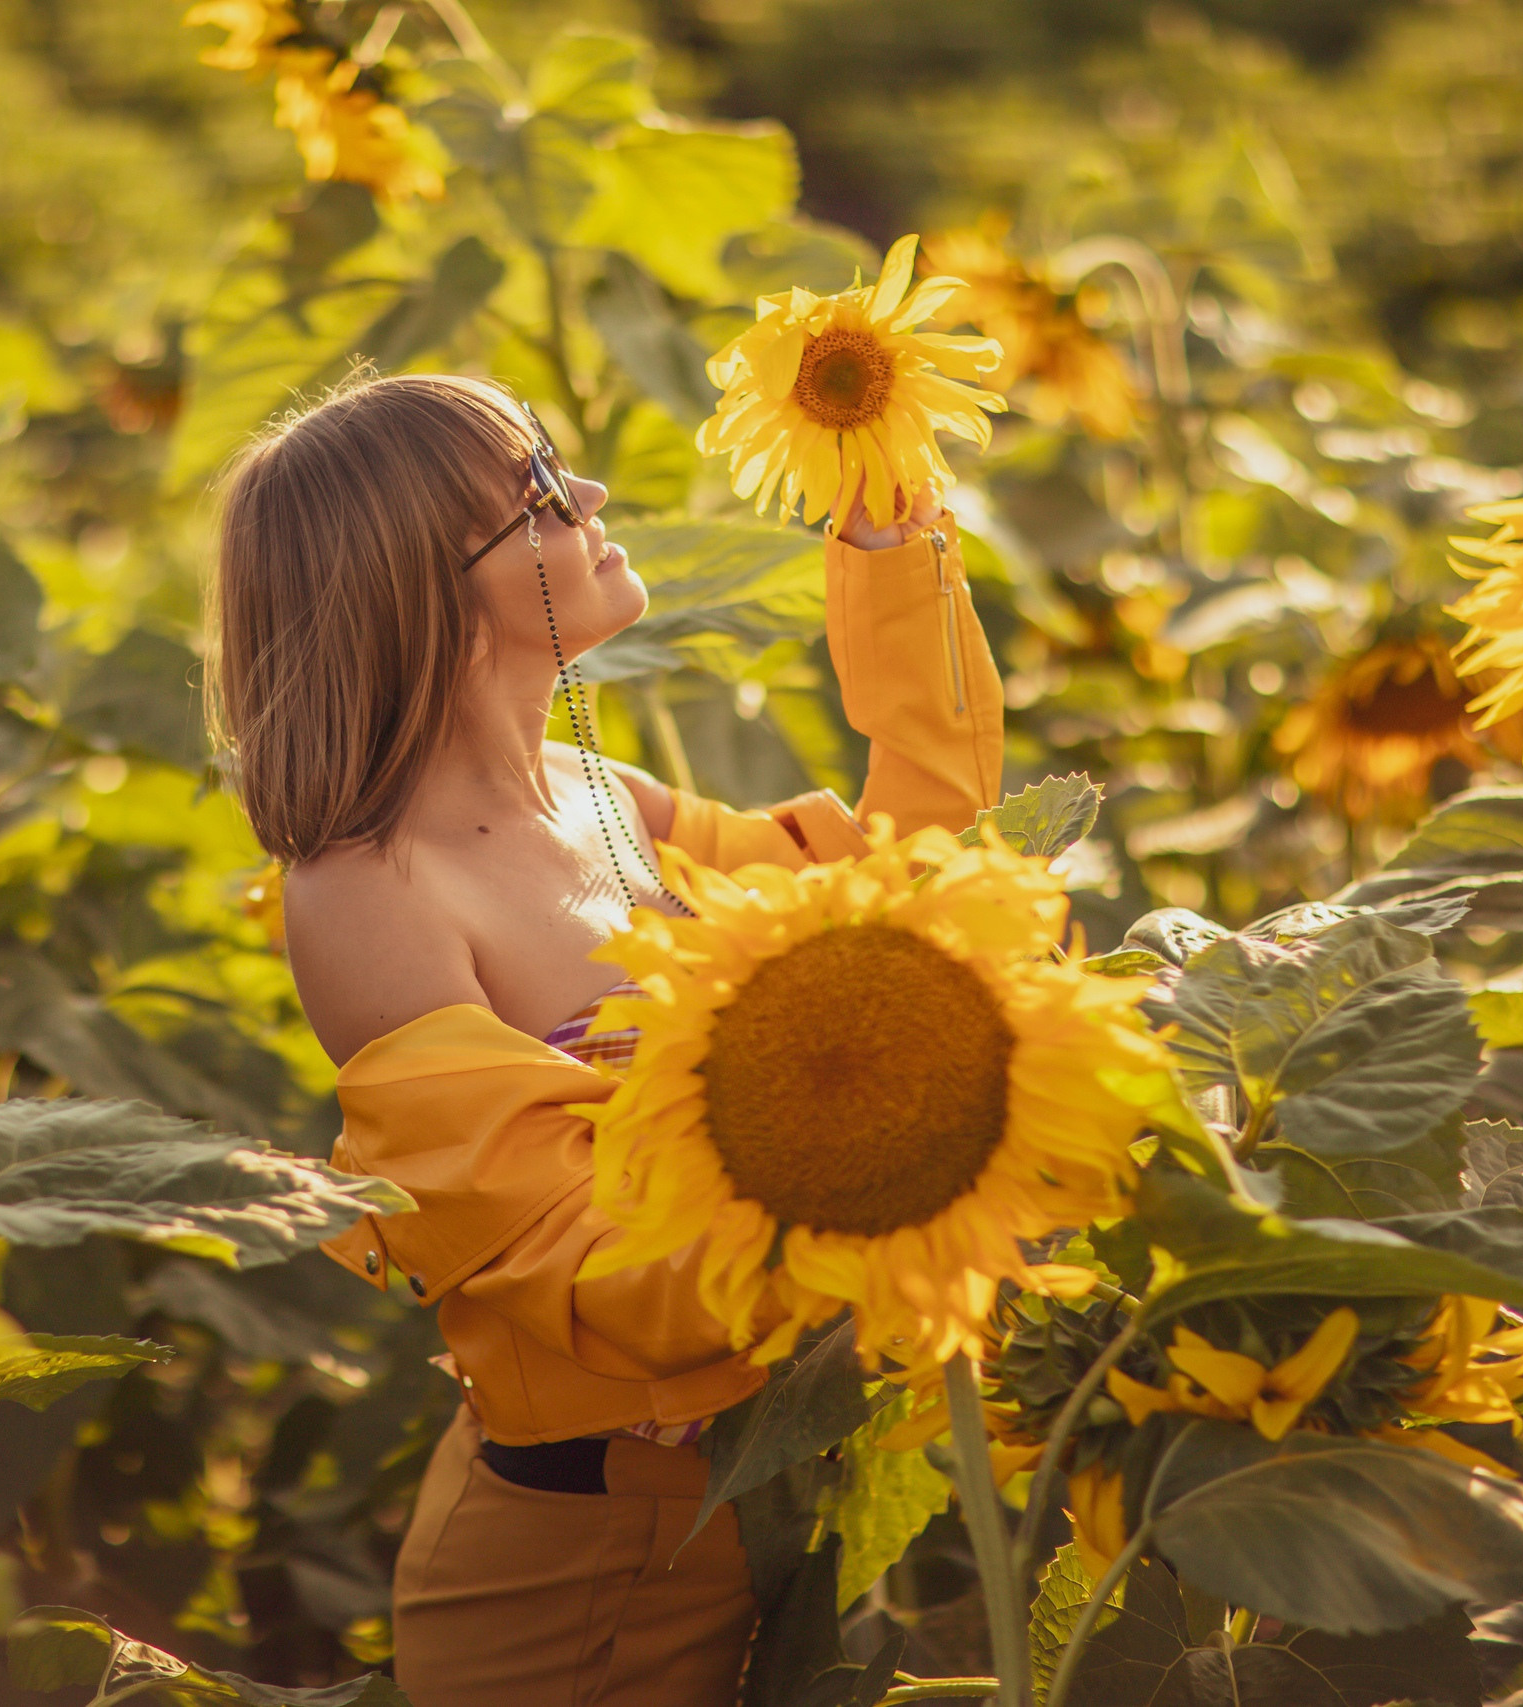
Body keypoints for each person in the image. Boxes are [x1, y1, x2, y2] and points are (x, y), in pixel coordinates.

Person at [206, 372, 1002, 1707]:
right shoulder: (366, 891)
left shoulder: (596, 789)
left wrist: (886, 556)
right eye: (534, 496)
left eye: (557, 469)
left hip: (757, 1480)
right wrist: (913, 1186)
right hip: (577, 1560)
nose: (589, 500)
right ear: (422, 592)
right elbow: (585, 1267)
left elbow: (897, 888)